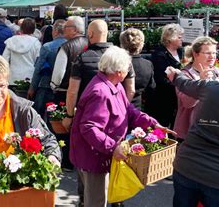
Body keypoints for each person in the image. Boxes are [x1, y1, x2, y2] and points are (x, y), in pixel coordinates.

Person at [70, 46, 171, 207]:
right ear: (118, 71)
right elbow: (89, 127)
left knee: (106, 197)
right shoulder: (101, 91)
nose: (128, 73)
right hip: (94, 157)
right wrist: (112, 147)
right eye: (127, 69)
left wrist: (152, 124)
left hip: (103, 154)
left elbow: (128, 111)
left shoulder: (114, 85)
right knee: (96, 202)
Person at [166, 67, 219, 206]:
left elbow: (183, 83)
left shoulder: (211, 88)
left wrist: (175, 74)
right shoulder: (210, 87)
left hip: (187, 166)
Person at [174, 36, 219, 141]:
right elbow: (187, 103)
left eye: (214, 53)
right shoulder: (184, 75)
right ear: (195, 54)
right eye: (208, 53)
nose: (212, 56)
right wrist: (201, 82)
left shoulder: (216, 72)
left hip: (211, 130)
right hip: (190, 133)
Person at [28, 19, 67, 119]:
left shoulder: (47, 47)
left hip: (46, 85)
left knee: (39, 115)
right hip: (65, 87)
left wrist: (32, 87)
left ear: (56, 31)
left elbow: (38, 68)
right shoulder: (70, 45)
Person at [150, 23, 184, 127]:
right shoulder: (159, 54)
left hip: (180, 94)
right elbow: (160, 78)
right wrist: (180, 84)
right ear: (170, 38)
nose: (182, 39)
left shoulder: (181, 51)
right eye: (179, 37)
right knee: (164, 123)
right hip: (165, 96)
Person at [50, 16, 88, 99]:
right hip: (85, 90)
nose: (63, 29)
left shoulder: (66, 47)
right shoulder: (90, 43)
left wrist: (54, 85)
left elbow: (59, 72)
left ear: (74, 30)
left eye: (66, 27)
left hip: (65, 91)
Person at [119, 28, 155, 110]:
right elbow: (151, 89)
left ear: (122, 45)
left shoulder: (118, 64)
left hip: (118, 106)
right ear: (141, 45)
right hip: (137, 108)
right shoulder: (147, 65)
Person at [2, 17, 41, 86]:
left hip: (12, 78)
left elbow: (4, 60)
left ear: (21, 28)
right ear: (33, 30)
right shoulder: (36, 43)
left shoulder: (11, 41)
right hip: (29, 78)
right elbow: (38, 62)